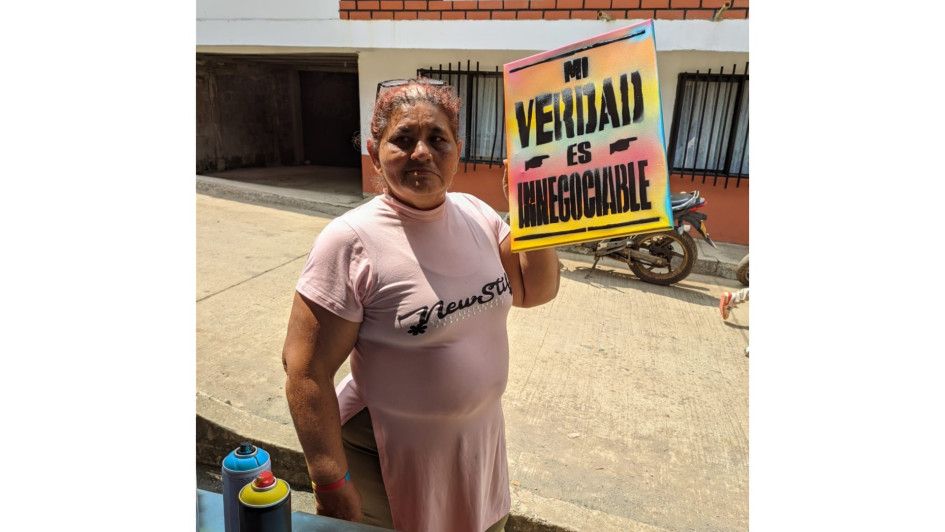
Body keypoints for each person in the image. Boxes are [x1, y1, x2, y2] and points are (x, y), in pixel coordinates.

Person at [282, 78, 561, 532]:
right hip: (385, 454)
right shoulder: (351, 240)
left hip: (477, 445)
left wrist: (531, 210)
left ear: (458, 149)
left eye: (437, 139)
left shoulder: (478, 213)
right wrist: (329, 482)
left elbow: (535, 290)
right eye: (403, 140)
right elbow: (304, 371)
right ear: (375, 152)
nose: (422, 153)